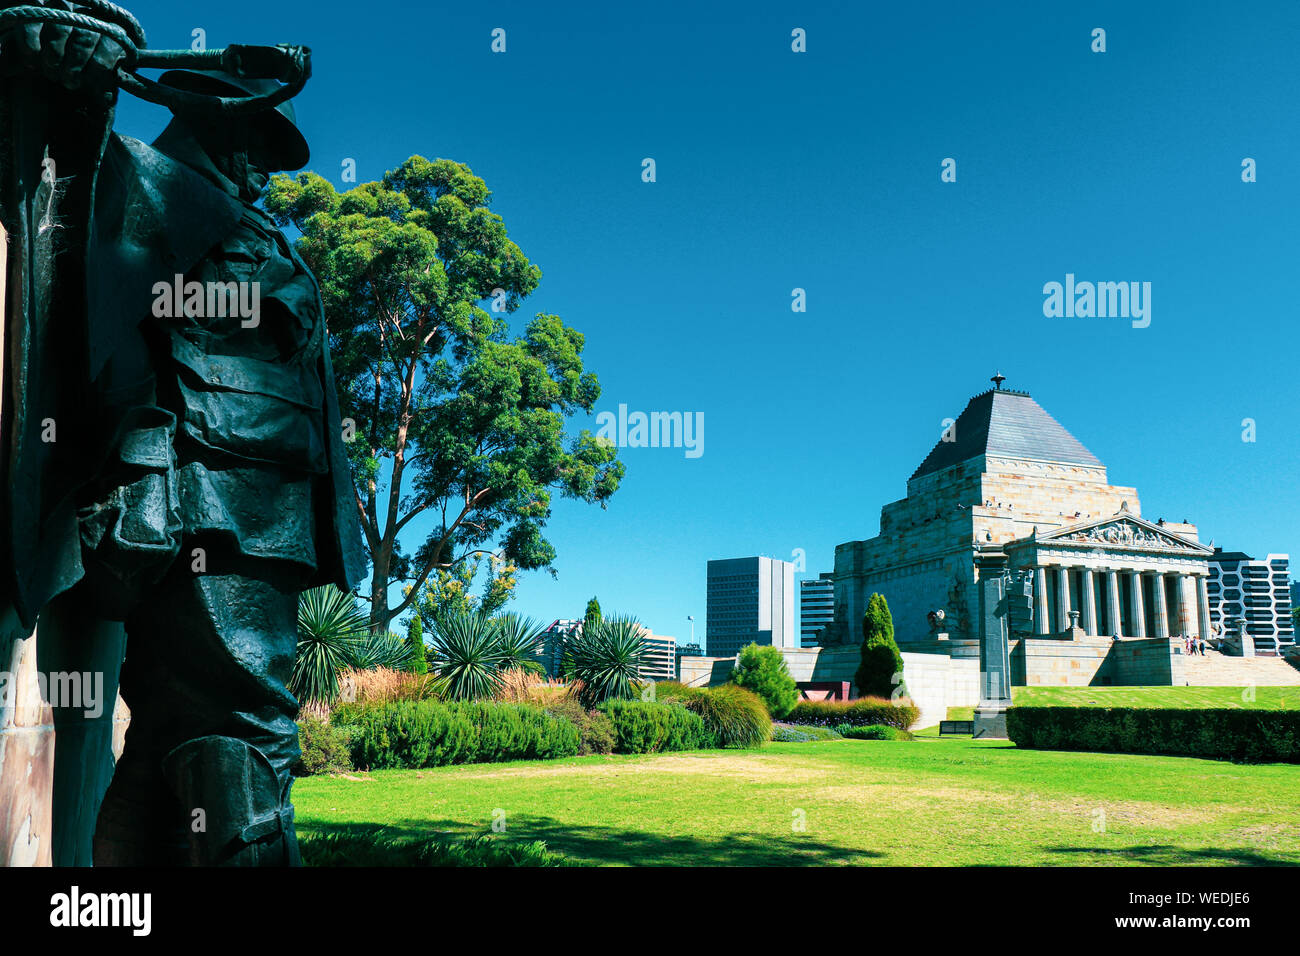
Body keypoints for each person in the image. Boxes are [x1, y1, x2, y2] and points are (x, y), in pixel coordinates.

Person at [2, 17, 364, 865]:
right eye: (251, 139)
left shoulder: (249, 226)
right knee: (248, 732)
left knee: (176, 739)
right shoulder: (146, 179)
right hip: (218, 511)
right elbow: (73, 173)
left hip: (264, 522)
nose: (258, 166)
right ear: (208, 118)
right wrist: (77, 74)